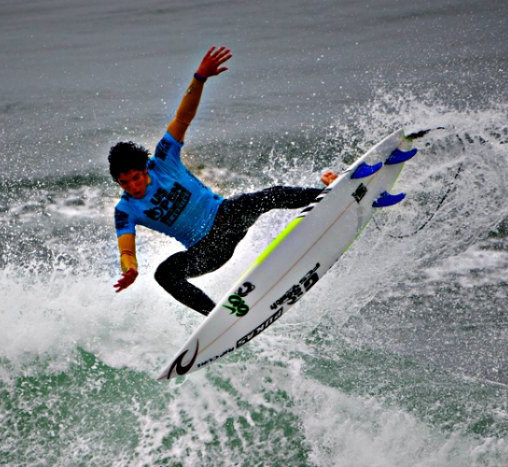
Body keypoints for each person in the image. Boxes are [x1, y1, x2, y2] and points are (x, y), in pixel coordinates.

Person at [109, 45, 337, 315]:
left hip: (226, 218)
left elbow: (183, 118)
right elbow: (127, 249)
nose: (133, 187)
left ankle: (330, 194)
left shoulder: (163, 160)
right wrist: (130, 270)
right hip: (205, 252)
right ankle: (219, 319)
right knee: (164, 275)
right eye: (125, 183)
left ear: (145, 169)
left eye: (136, 178)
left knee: (265, 197)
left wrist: (199, 78)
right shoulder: (125, 210)